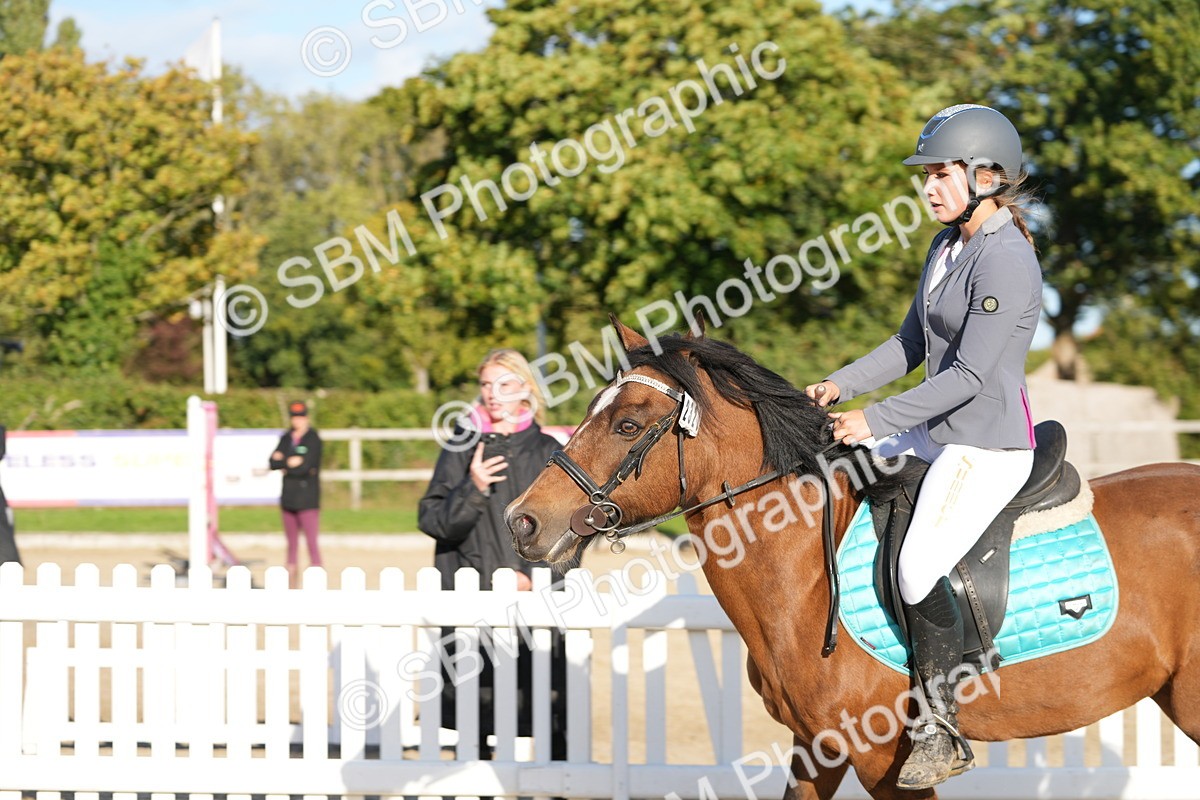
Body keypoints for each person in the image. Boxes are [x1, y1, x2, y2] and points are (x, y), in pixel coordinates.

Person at [805, 104, 1042, 790]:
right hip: (937, 430)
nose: (930, 187)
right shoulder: (946, 248)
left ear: (987, 175)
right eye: (928, 175)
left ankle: (939, 727)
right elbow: (911, 344)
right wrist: (838, 385)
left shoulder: (1007, 257)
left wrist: (875, 421)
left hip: (988, 445)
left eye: (942, 174)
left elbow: (969, 375)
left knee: (915, 569)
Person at [418, 348, 574, 763]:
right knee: (475, 720)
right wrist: (472, 487)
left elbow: (571, 532)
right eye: (486, 385)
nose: (493, 394)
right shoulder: (462, 444)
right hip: (472, 607)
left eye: (504, 384)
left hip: (533, 605)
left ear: (526, 389)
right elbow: (432, 519)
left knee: (545, 705)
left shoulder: (548, 451)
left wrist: (531, 574)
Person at [269, 401, 323, 589]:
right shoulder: (286, 438)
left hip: (307, 500)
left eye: (300, 416)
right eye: (294, 416)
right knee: (291, 546)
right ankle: (292, 587)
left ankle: (316, 586)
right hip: (289, 498)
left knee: (311, 543)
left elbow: (307, 466)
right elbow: (272, 462)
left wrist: (285, 463)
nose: (297, 420)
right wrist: (289, 462)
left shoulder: (313, 438)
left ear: (306, 417)